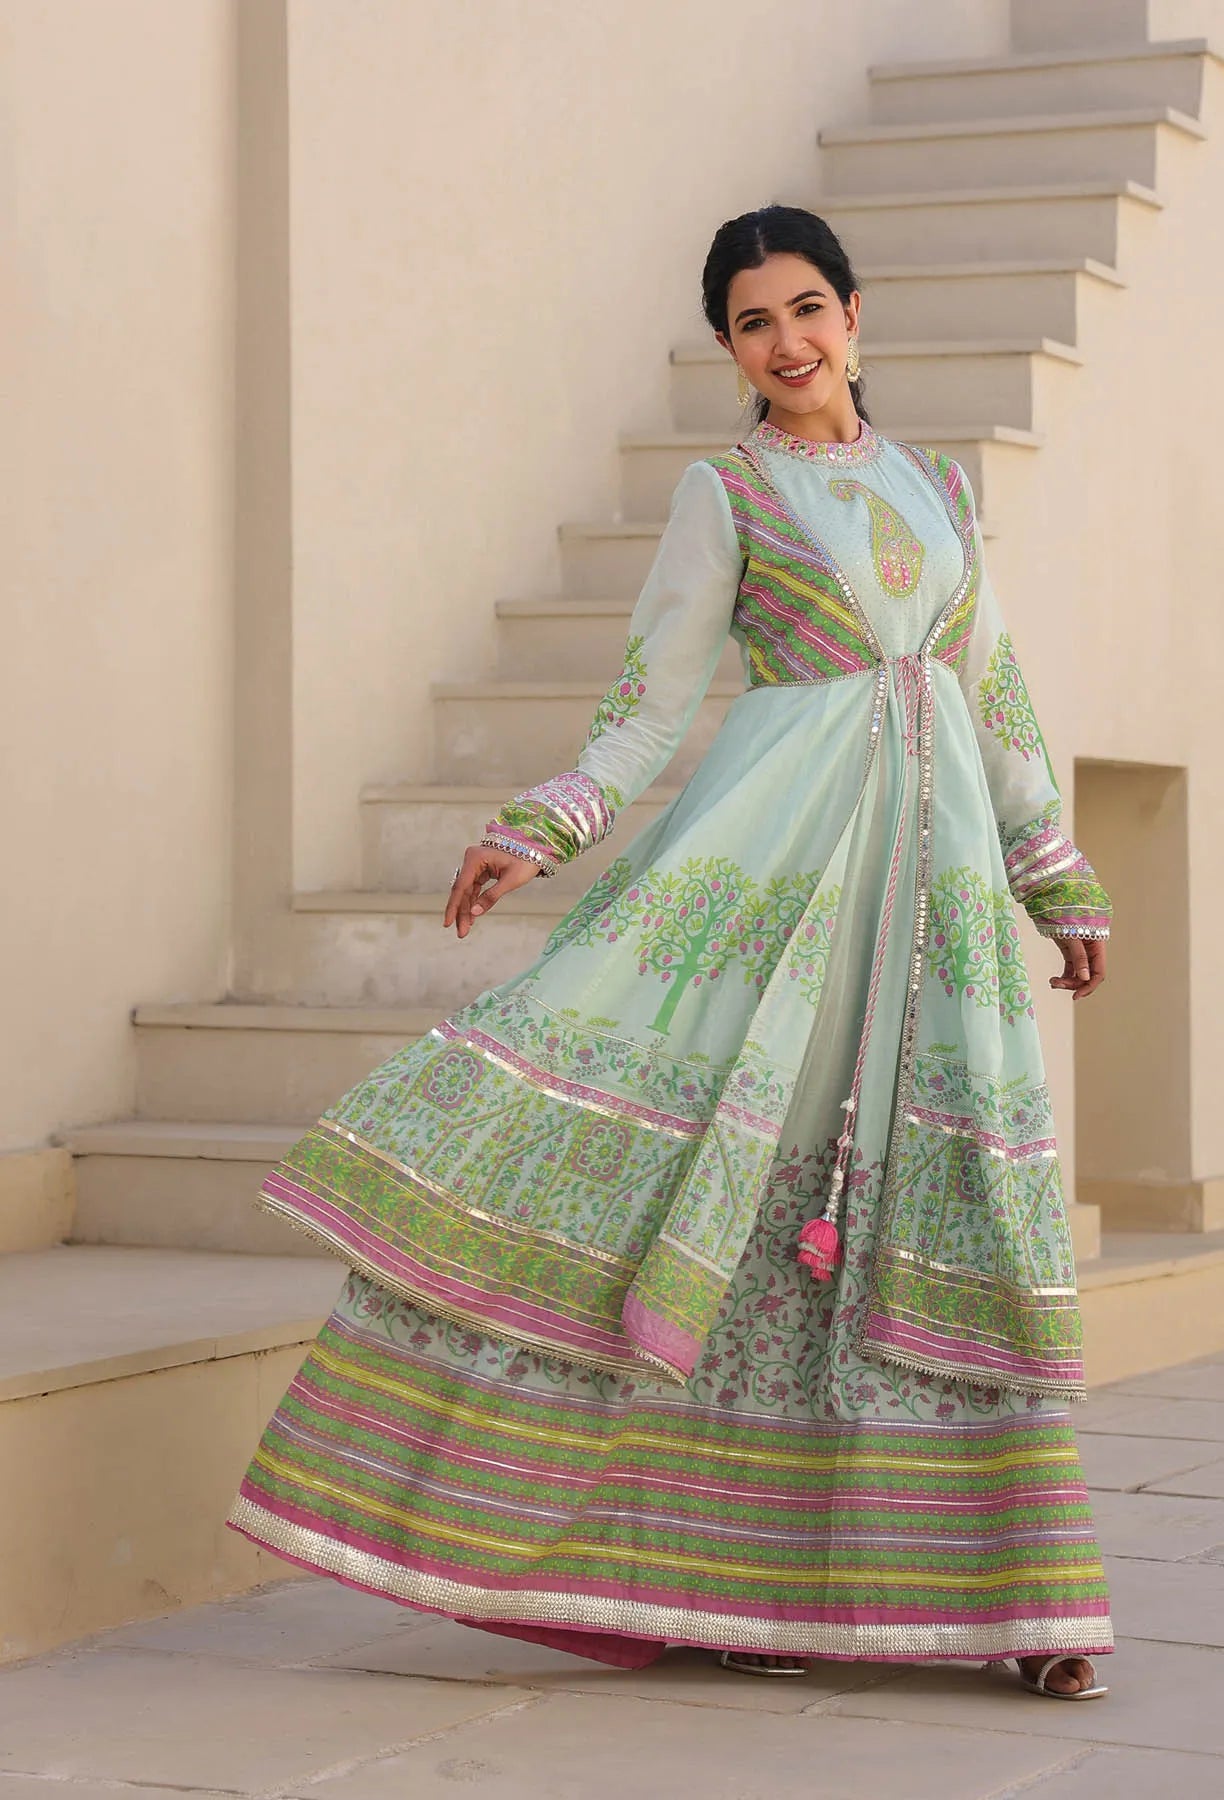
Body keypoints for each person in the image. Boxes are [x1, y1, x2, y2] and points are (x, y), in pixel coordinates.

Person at [228, 206, 1113, 1701]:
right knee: (739, 1193)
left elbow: (997, 694)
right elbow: (649, 706)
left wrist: (1056, 875)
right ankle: (708, 1574)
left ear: (858, 313)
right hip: (773, 885)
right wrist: (545, 824)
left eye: (811, 307)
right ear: (729, 348)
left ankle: (1025, 1610)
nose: (791, 343)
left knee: (942, 1216)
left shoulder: (943, 489)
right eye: (756, 323)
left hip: (932, 902)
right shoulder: (726, 494)